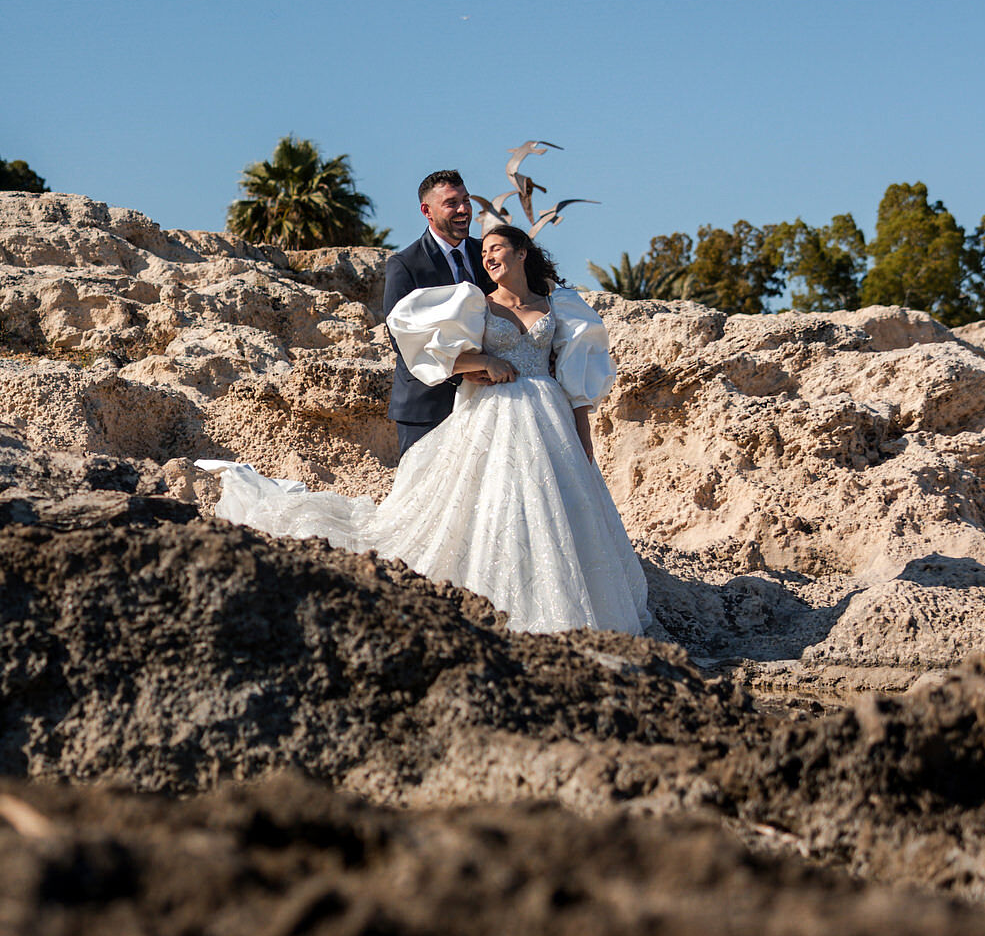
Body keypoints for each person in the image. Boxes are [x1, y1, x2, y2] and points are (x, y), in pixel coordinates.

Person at [202, 224, 650, 635]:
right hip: (493, 414)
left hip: (548, 414)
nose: (489, 256)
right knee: (496, 501)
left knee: (559, 505)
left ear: (522, 253)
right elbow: (421, 345)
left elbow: (576, 382)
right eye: (486, 250)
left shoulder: (557, 305)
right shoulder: (474, 302)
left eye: (497, 249)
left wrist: (582, 435)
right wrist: (482, 361)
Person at [383, 170, 495, 460]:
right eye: (452, 203)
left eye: (466, 200)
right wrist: (461, 367)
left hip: (486, 402)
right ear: (427, 211)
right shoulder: (405, 265)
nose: (463, 210)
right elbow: (403, 339)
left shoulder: (487, 254)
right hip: (426, 406)